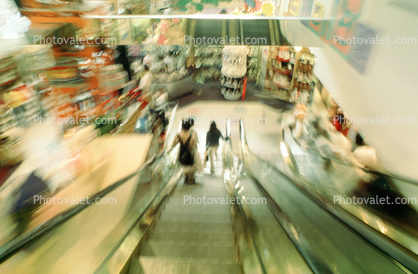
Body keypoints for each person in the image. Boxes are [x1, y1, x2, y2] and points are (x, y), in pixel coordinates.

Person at [171, 118, 202, 184]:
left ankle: (186, 177)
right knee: (191, 166)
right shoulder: (192, 135)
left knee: (184, 165)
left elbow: (173, 144)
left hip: (182, 153)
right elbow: (195, 145)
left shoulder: (178, 135)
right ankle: (191, 179)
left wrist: (170, 149)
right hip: (191, 153)